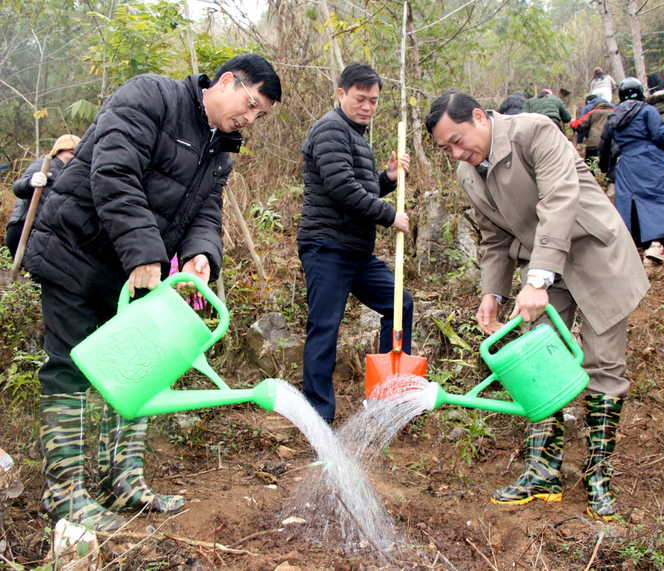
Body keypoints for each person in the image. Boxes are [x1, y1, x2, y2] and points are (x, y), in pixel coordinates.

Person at [22, 54, 282, 531]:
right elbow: (114, 171)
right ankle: (64, 494)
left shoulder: (222, 148)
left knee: (140, 371)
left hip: (137, 273)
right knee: (68, 368)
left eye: (259, 115)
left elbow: (206, 210)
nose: (249, 118)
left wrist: (202, 253)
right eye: (249, 105)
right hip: (77, 252)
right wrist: (144, 249)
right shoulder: (151, 97)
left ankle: (123, 482)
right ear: (226, 82)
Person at [425, 90, 649, 521]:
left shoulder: (534, 132)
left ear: (479, 116)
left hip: (594, 254)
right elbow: (493, 238)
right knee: (539, 361)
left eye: (458, 139)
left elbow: (559, 200)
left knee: (602, 362)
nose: (456, 152)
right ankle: (543, 471)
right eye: (446, 148)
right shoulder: (467, 173)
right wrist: (492, 294)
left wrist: (538, 277)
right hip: (539, 264)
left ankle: (598, 475)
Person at [297, 63, 412, 425]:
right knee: (325, 326)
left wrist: (388, 178)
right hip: (327, 246)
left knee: (400, 303)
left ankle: (387, 398)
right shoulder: (331, 129)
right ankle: (318, 416)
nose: (367, 107)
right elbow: (342, 189)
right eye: (360, 99)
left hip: (356, 251)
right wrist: (389, 214)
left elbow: (360, 187)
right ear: (341, 94)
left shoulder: (357, 134)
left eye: (374, 101)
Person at [599, 78, 664, 267]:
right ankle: (656, 245)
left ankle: (631, 248)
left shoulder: (613, 116)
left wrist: (605, 167)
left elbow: (604, 144)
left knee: (631, 203)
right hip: (650, 159)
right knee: (659, 197)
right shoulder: (647, 110)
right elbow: (660, 135)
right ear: (641, 92)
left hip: (626, 163)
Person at [6, 134, 80, 257]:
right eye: (70, 152)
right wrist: (30, 182)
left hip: (46, 234)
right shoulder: (44, 164)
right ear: (58, 151)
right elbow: (18, 188)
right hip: (25, 229)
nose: (73, 157)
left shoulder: (71, 174)